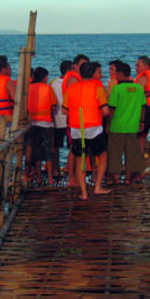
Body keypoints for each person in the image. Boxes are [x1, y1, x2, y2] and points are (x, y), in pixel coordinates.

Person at [62, 62, 110, 200]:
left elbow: (64, 110)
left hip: (77, 128)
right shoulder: (97, 87)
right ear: (93, 73)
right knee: (102, 155)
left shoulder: (72, 88)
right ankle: (98, 186)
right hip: (94, 127)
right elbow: (106, 110)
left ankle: (83, 193)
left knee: (80, 159)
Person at [107, 62, 146, 184]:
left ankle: (117, 177)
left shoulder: (117, 89)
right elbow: (143, 107)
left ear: (119, 73)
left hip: (117, 126)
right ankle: (129, 177)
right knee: (132, 153)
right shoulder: (138, 88)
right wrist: (141, 121)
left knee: (115, 153)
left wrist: (108, 123)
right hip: (133, 126)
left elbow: (112, 108)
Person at [61, 54, 89, 187]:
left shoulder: (79, 80)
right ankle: (72, 178)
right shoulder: (73, 80)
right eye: (82, 65)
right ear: (75, 66)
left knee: (79, 148)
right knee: (74, 148)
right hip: (74, 119)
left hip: (81, 118)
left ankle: (76, 177)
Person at [27, 67, 58, 185]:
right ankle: (50, 178)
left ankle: (39, 177)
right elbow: (54, 105)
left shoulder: (29, 89)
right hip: (46, 122)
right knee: (48, 151)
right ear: (43, 77)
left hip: (33, 123)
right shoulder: (48, 88)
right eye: (46, 76)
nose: (48, 78)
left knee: (37, 151)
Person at [50, 60, 72, 178]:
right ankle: (69, 168)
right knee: (72, 146)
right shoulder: (72, 82)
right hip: (68, 119)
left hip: (57, 118)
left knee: (56, 147)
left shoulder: (53, 83)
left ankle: (56, 169)